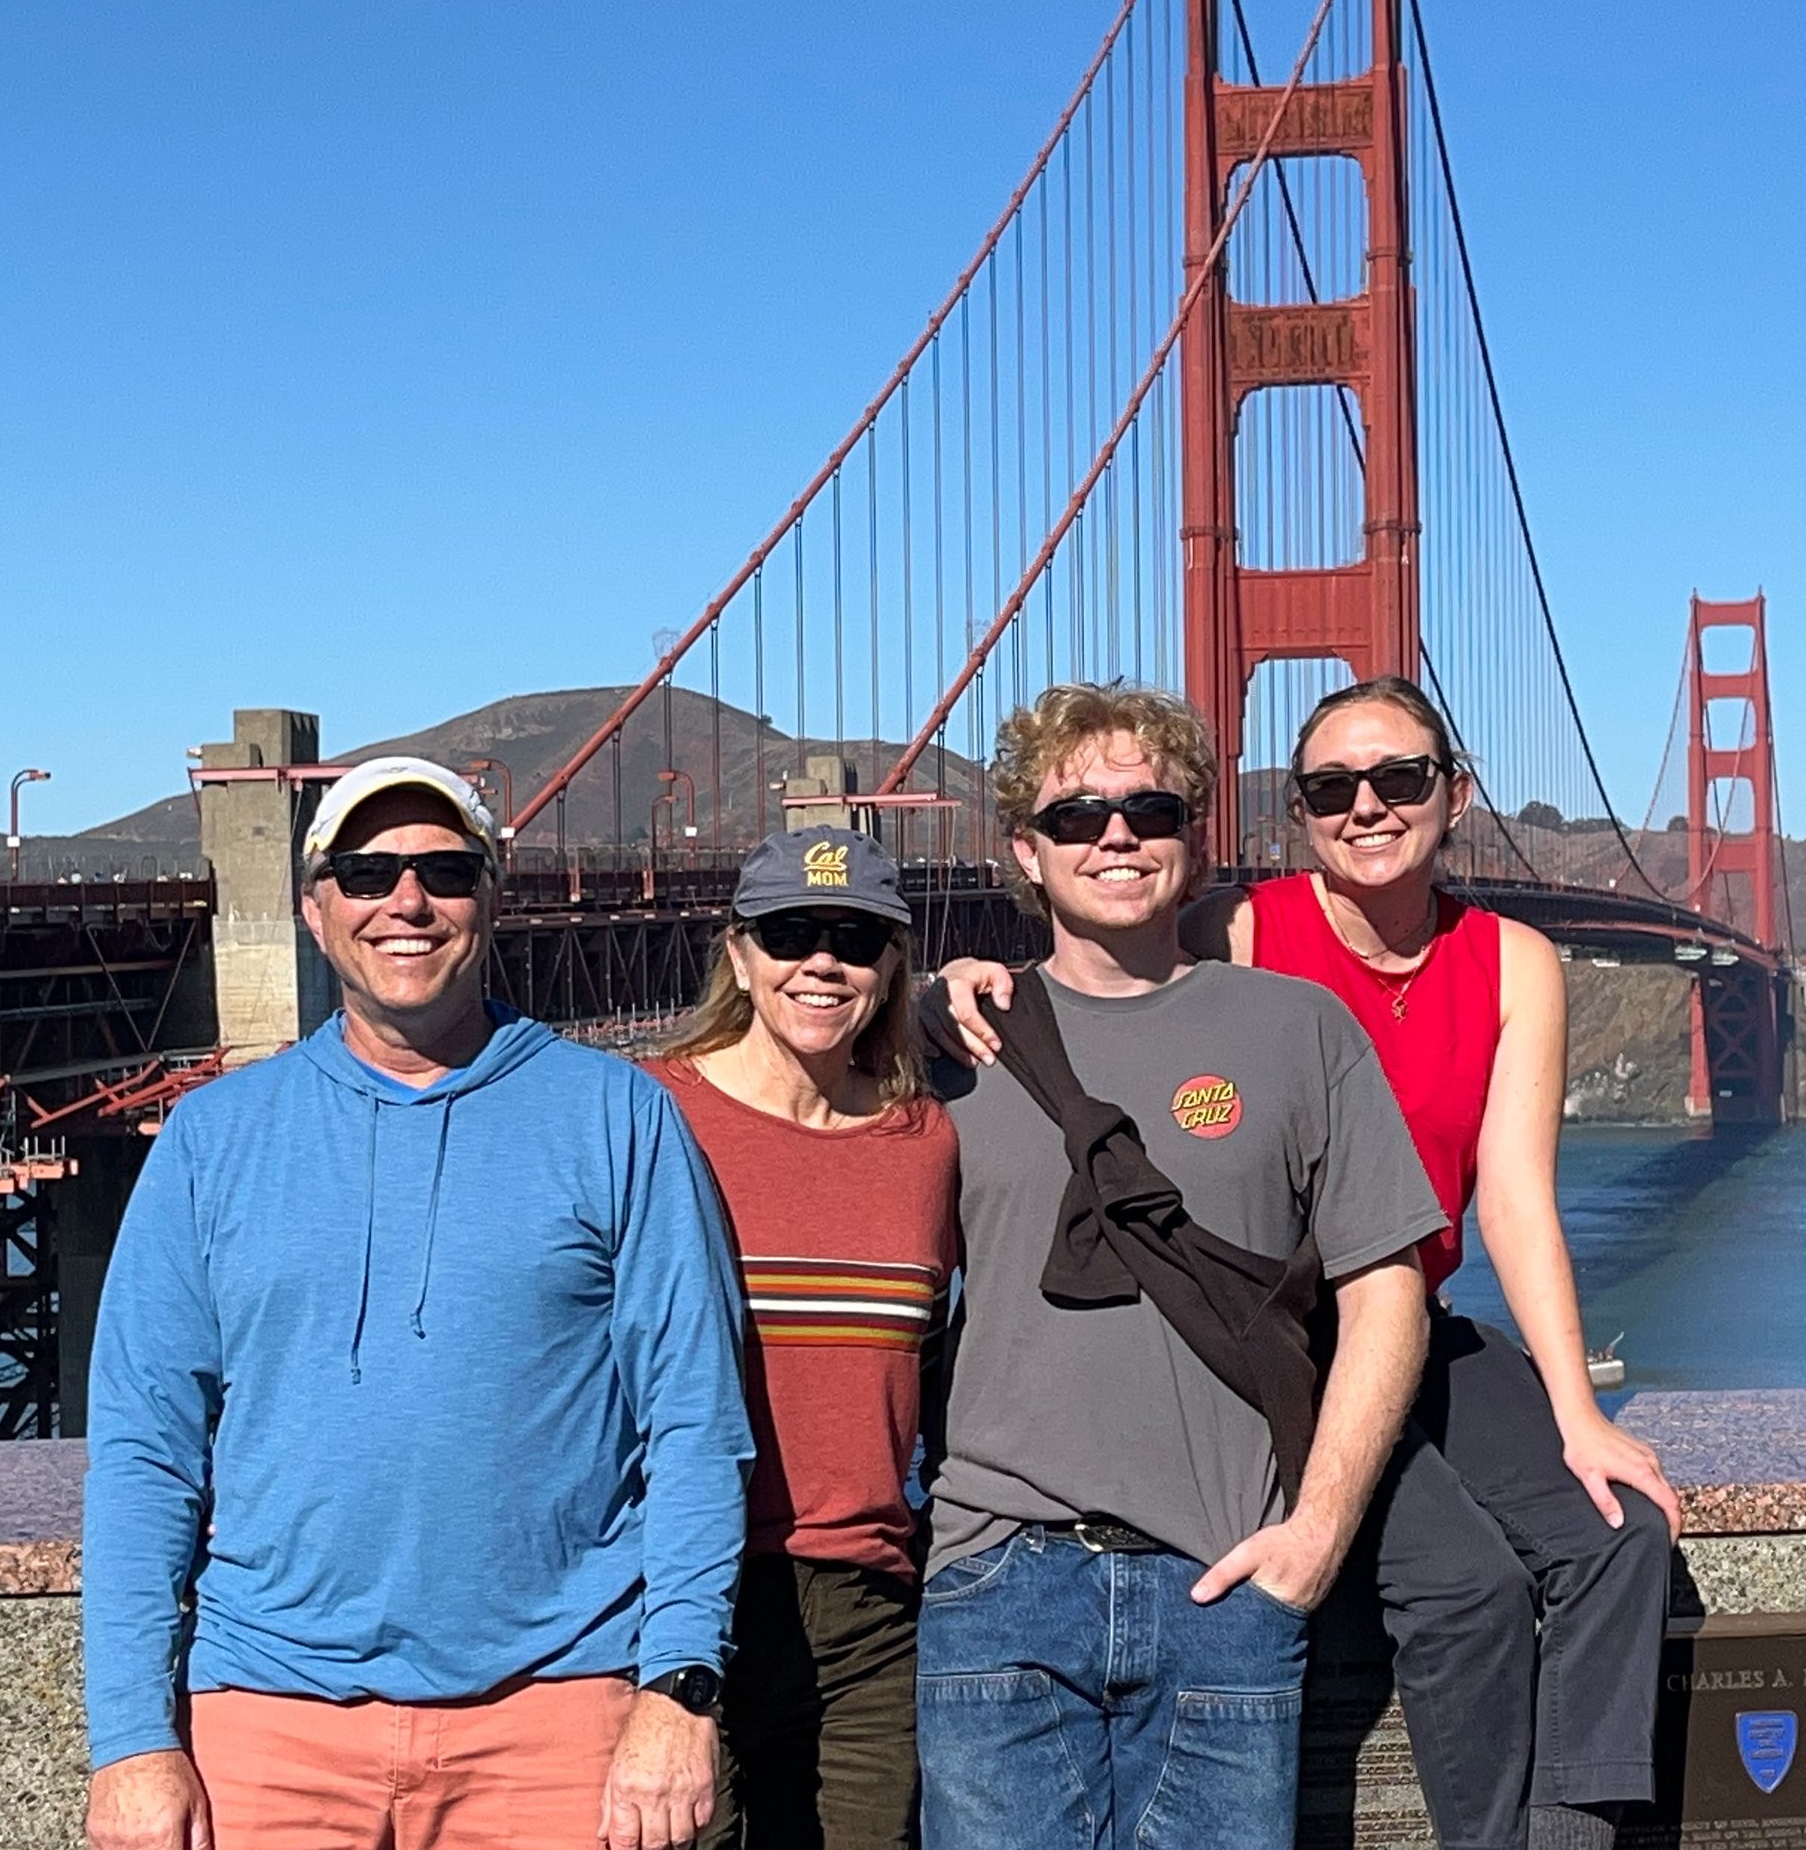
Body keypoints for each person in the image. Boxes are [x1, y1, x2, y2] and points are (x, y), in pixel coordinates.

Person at [934, 676, 1682, 1850]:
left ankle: (1566, 1832)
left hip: (1402, 1306)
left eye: (1399, 779)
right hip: (1276, 1337)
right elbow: (1094, 974)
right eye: (1330, 787)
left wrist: (1577, 1409)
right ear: (1295, 811)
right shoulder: (1240, 926)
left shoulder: (1510, 960)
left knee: (1621, 1526)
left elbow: (1515, 1200)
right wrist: (959, 980)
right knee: (1465, 1587)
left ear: (1454, 792)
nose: (1366, 806)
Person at [83, 756, 752, 1850]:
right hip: (267, 1718)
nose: (406, 900)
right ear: (314, 906)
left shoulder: (618, 1116)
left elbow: (692, 1422)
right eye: (365, 870)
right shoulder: (212, 1138)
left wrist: (677, 1693)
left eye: (444, 869)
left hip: (558, 1712)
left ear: (492, 896)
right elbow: (145, 1451)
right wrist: (128, 1736)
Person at [914, 682, 1446, 1850]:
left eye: (1151, 807)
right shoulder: (948, 1043)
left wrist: (1313, 1536)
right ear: (1024, 849)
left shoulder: (1298, 1028)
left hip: (1225, 1586)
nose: (1115, 832)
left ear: (1194, 837)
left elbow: (1385, 1289)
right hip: (997, 1584)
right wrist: (917, 992)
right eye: (1075, 814)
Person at [647, 826, 959, 1850]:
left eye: (855, 937)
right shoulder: (650, 1113)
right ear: (737, 954)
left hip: (868, 1610)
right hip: (680, 1601)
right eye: (787, 932)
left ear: (892, 965)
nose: (820, 960)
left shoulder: (925, 1140)